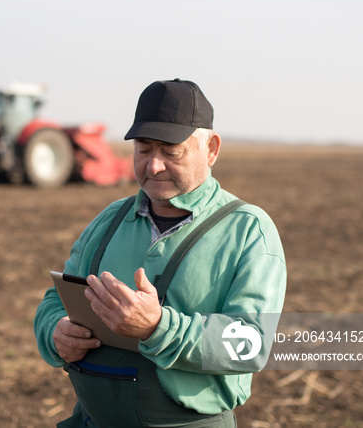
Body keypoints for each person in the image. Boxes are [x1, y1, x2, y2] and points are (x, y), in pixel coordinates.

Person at [34, 79, 287, 427]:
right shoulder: (109, 220)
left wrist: (157, 327)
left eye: (171, 151)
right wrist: (55, 331)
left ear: (211, 148)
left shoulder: (248, 231)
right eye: (143, 148)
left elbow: (251, 345)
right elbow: (54, 301)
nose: (153, 165)